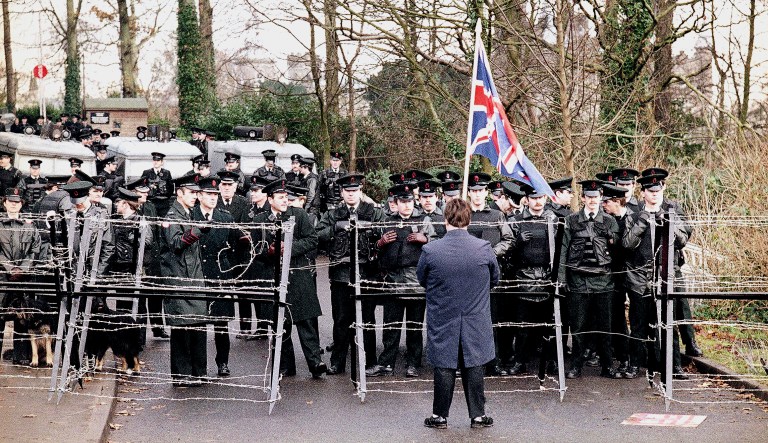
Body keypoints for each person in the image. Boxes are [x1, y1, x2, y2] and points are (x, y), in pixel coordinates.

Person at [417, 198, 497, 429]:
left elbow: (422, 279)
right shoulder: (484, 248)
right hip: (475, 316)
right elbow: (494, 278)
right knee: (475, 364)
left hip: (443, 315)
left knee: (444, 365)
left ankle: (440, 416)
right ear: (469, 220)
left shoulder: (431, 250)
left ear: (444, 220)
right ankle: (478, 416)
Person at [251, 179, 327, 378]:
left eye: (286, 197)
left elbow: (312, 240)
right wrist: (270, 252)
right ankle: (285, 366)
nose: (285, 201)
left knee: (306, 322)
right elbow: (255, 251)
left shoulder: (298, 214)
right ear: (270, 199)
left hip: (299, 275)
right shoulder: (260, 220)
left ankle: (315, 363)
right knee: (279, 324)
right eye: (280, 197)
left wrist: (289, 248)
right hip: (274, 277)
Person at [316, 173, 384, 374]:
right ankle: (338, 362)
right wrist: (337, 228)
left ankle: (369, 360)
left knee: (367, 319)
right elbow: (318, 234)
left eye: (355, 191)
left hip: (366, 273)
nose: (351, 194)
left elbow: (384, 230)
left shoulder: (373, 211)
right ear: (342, 192)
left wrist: (368, 230)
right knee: (341, 320)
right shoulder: (333, 213)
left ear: (361, 191)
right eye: (348, 191)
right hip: (341, 274)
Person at [367, 183, 435, 378]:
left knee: (414, 327)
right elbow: (372, 252)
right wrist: (380, 244)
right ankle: (386, 363)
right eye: (403, 202)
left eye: (410, 201)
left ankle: (413, 363)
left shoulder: (424, 221)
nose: (407, 206)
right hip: (393, 281)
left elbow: (440, 245)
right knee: (391, 326)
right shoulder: (386, 222)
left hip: (416, 282)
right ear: (395, 203)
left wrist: (426, 240)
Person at [559, 179, 619, 379]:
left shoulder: (610, 221)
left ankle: (607, 365)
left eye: (596, 197)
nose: (592, 200)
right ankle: (576, 366)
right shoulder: (572, 220)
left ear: (601, 197)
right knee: (578, 327)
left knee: (605, 328)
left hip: (604, 282)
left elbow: (618, 254)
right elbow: (564, 250)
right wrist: (562, 278)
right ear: (583, 198)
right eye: (589, 197)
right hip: (578, 282)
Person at [159, 173, 208, 387]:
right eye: (191, 193)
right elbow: (176, 244)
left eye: (197, 193)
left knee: (197, 325)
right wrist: (198, 229)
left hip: (193, 278)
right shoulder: (171, 216)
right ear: (179, 193)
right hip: (178, 279)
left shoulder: (188, 214)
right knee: (181, 328)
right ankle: (182, 374)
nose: (195, 197)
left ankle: (199, 371)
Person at [506, 183, 558, 376]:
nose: (537, 202)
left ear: (545, 199)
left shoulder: (553, 220)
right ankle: (520, 361)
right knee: (522, 326)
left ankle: (552, 360)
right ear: (526, 199)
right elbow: (507, 255)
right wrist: (518, 243)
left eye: (541, 198)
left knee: (549, 324)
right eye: (534, 198)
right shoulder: (516, 221)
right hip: (523, 278)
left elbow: (560, 251)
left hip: (546, 277)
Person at [466, 172, 513, 375]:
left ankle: (492, 362)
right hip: (466, 277)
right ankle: (468, 363)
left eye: (481, 191)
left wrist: (492, 253)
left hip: (490, 275)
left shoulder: (496, 216)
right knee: (468, 321)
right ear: (468, 193)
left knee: (492, 321)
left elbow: (509, 239)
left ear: (486, 193)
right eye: (474, 191)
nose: (477, 195)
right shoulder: (462, 215)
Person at [192, 176, 239, 377]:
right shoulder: (191, 216)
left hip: (220, 271)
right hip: (198, 271)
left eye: (215, 195)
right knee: (198, 321)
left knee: (221, 322)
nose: (213, 198)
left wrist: (229, 271)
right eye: (209, 195)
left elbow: (235, 245)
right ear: (199, 196)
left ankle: (223, 362)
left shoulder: (225, 218)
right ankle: (199, 365)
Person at [0, 187, 42, 364]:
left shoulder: (29, 225)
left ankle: (22, 358)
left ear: (22, 204)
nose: (14, 205)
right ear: (4, 203)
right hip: (2, 278)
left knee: (23, 320)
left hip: (24, 280)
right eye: (11, 202)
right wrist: (10, 269)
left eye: (17, 202)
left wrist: (22, 269)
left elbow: (36, 250)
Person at [126, 177, 168, 338]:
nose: (145, 194)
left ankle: (158, 327)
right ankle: (139, 332)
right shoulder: (132, 209)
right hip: (139, 256)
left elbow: (156, 232)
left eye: (146, 192)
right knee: (141, 297)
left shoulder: (151, 207)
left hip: (153, 255)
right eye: (141, 192)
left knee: (156, 294)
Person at [600, 182, 634, 378]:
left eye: (606, 202)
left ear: (615, 201)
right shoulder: (608, 220)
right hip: (613, 275)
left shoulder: (632, 219)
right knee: (616, 318)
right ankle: (623, 357)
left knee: (636, 319)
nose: (603, 205)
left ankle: (634, 358)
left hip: (631, 274)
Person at [141, 152, 174, 217]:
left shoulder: (167, 173)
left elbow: (171, 187)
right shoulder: (146, 173)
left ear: (162, 162)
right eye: (154, 160)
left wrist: (166, 197)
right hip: (151, 202)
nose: (155, 162)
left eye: (158, 160)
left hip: (163, 203)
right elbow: (142, 186)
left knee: (163, 221)